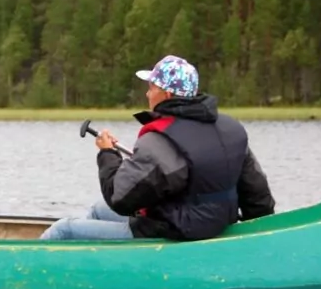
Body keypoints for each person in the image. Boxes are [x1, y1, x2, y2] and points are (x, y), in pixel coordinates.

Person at [40, 54, 275, 241]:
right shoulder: (231, 129)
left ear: (167, 94)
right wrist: (259, 233)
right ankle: (93, 261)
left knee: (63, 230)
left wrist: (107, 154)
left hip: (173, 231)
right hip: (214, 222)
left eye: (151, 87)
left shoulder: (160, 141)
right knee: (97, 210)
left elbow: (120, 198)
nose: (147, 92)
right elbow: (257, 196)